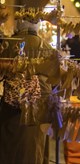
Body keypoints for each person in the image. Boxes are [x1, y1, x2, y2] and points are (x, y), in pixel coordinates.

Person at [0, 19, 56, 164]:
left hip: (12, 106)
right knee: (35, 146)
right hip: (39, 106)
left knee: (11, 146)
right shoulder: (47, 47)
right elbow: (55, 79)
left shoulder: (8, 44)